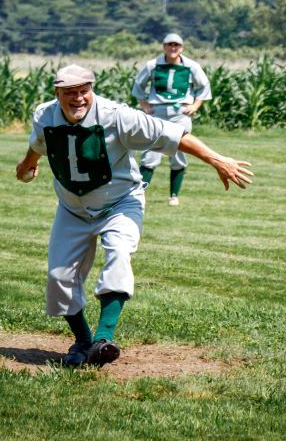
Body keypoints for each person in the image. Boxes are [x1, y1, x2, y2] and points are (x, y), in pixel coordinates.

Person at [16, 63, 253, 368]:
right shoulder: (44, 114)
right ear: (57, 93)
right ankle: (83, 341)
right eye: (70, 93)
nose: (78, 98)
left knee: (119, 253)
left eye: (84, 91)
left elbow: (174, 135)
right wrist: (26, 166)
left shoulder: (118, 116)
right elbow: (38, 144)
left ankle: (104, 339)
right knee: (59, 277)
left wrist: (217, 159)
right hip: (72, 208)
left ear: (92, 89)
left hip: (120, 203)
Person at [131, 33, 212, 206]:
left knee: (180, 152)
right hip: (157, 112)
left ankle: (174, 195)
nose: (173, 48)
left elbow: (204, 86)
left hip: (180, 112)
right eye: (169, 45)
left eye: (176, 45)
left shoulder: (191, 66)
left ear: (181, 47)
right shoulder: (153, 65)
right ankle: (139, 193)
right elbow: (138, 85)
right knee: (150, 152)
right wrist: (144, 104)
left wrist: (196, 105)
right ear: (164, 46)